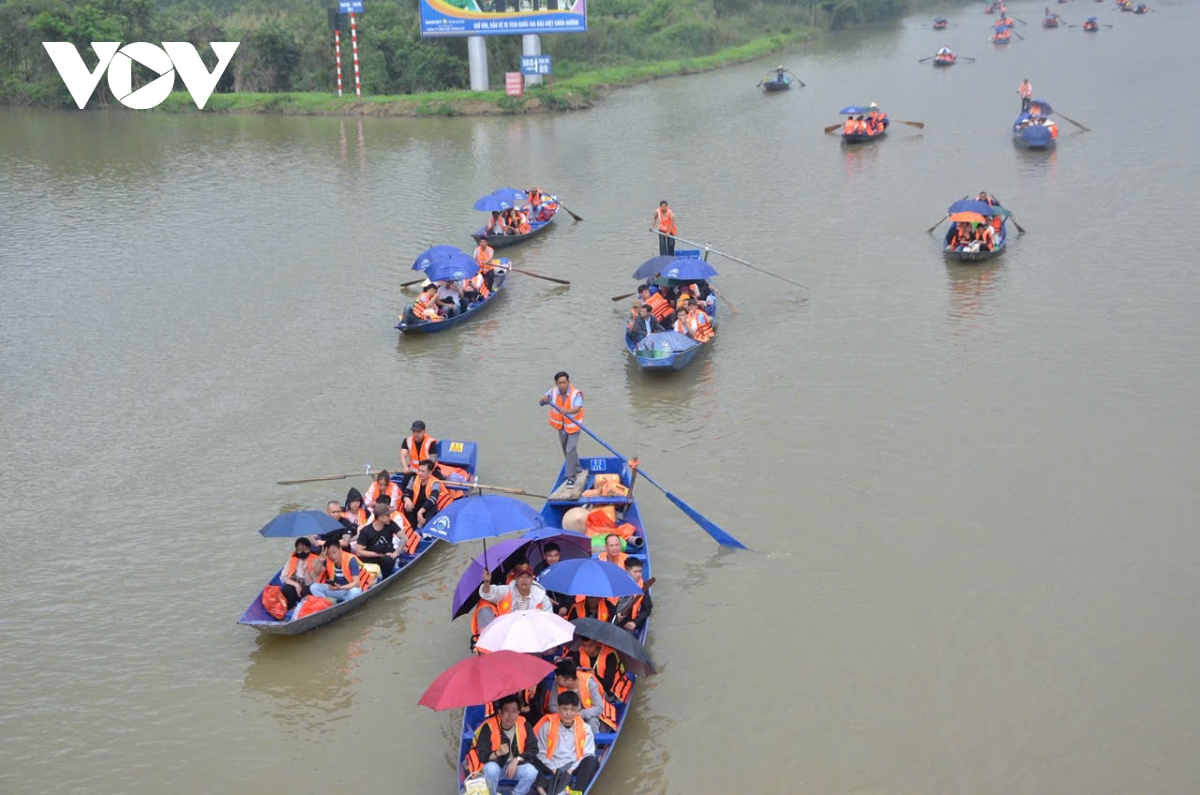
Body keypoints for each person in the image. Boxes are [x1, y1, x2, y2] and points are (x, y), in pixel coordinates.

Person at [465, 696, 539, 795]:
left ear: (518, 713)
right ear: (500, 712)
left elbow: (533, 749)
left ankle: (517, 793)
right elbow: (482, 755)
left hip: (514, 767)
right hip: (496, 767)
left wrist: (516, 759)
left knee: (532, 771)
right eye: (506, 711)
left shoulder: (524, 724)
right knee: (492, 769)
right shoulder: (489, 726)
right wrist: (497, 753)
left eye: (514, 711)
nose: (510, 716)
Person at [533, 691, 598, 795]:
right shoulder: (546, 727)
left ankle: (578, 791)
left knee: (592, 761)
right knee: (531, 760)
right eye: (565, 709)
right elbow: (540, 753)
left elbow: (588, 753)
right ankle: (543, 790)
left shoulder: (586, 728)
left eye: (573, 709)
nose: (569, 713)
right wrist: (553, 768)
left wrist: (570, 770)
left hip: (574, 766)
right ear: (558, 709)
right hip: (551, 765)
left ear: (578, 709)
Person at [542, 658, 616, 734]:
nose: (556, 679)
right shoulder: (557, 682)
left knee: (592, 722)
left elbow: (598, 708)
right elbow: (552, 705)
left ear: (569, 680)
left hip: (587, 714)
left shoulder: (589, 683)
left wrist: (580, 714)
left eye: (558, 678)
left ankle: (594, 744)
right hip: (564, 715)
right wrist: (566, 714)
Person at [539, 371, 584, 488]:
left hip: (574, 426)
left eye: (564, 382)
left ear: (568, 382)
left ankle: (571, 477)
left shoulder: (575, 393)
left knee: (570, 449)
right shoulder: (553, 391)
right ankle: (578, 468)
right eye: (560, 383)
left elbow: (578, 408)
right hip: (561, 427)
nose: (562, 385)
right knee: (567, 451)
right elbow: (542, 402)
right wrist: (543, 400)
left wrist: (568, 411)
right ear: (556, 383)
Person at [352, 502, 404, 579]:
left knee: (387, 560)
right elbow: (359, 552)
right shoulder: (366, 531)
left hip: (387, 554)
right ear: (381, 517)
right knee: (357, 561)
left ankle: (385, 578)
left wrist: (396, 552)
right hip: (372, 555)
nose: (390, 517)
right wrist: (379, 554)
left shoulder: (391, 524)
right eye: (388, 515)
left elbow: (404, 538)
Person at [572, 638, 633, 703]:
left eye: (590, 645)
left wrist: (595, 676)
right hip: (591, 688)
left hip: (611, 691)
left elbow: (608, 684)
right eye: (584, 645)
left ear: (597, 643)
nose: (587, 649)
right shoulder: (579, 653)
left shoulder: (610, 656)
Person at [481, 562, 552, 613]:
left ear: (532, 579)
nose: (524, 580)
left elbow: (549, 620)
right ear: (515, 578)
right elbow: (488, 593)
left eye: (528, 577)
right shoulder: (507, 591)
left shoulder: (542, 597)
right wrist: (487, 582)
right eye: (521, 576)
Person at [612, 558, 653, 634]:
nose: (638, 575)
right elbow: (607, 605)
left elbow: (647, 609)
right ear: (627, 572)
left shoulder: (643, 587)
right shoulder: (616, 586)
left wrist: (635, 622)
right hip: (613, 621)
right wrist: (615, 615)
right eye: (635, 572)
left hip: (628, 625)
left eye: (640, 571)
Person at [404, 459, 447, 530]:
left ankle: (425, 529)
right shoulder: (414, 478)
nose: (420, 473)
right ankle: (413, 528)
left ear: (430, 472)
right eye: (419, 470)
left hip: (427, 509)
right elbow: (406, 492)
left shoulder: (435, 483)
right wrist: (407, 499)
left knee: (432, 507)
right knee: (407, 505)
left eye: (423, 471)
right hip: (416, 507)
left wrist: (420, 512)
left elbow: (433, 499)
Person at [279, 537, 321, 610]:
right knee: (286, 589)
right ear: (296, 550)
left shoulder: (316, 560)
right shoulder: (292, 558)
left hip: (307, 586)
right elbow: (283, 577)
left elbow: (311, 582)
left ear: (310, 549)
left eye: (305, 550)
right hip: (295, 585)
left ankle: (306, 608)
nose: (302, 552)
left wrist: (306, 569)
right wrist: (296, 585)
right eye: (299, 550)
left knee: (307, 591)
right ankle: (293, 607)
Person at [400, 421, 437, 488]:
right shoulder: (407, 440)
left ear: (424, 431)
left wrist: (424, 472)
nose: (416, 434)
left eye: (419, 432)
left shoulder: (430, 442)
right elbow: (403, 456)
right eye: (414, 431)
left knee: (437, 483)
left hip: (428, 470)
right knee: (405, 483)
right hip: (413, 470)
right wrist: (405, 467)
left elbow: (432, 461)